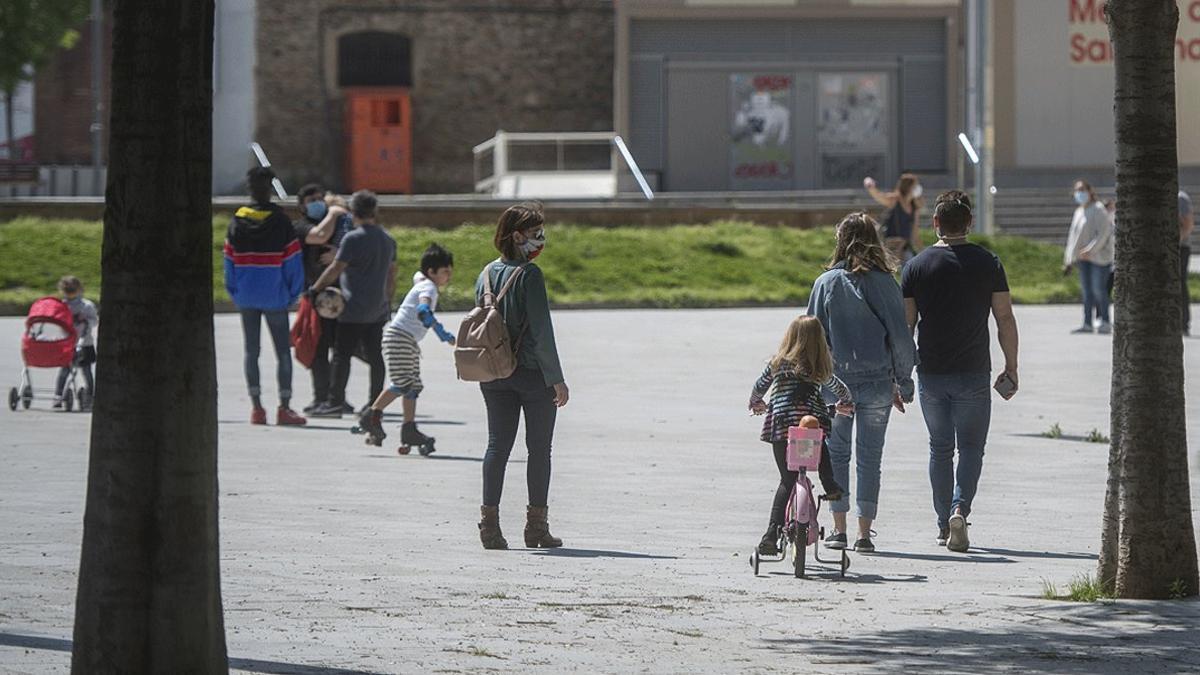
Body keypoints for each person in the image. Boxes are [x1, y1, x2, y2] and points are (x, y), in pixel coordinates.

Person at [902, 190, 1019, 553]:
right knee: (971, 448)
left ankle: (942, 526)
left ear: (935, 223)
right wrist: (1011, 366)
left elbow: (907, 327)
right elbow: (1004, 318)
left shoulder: (916, 266)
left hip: (932, 372)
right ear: (969, 223)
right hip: (973, 371)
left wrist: (901, 374)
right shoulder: (989, 262)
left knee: (939, 448)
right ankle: (959, 509)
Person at [807, 213, 916, 553]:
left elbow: (812, 338)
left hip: (835, 387)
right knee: (871, 457)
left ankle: (838, 529)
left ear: (840, 240)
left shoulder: (825, 283)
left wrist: (812, 385)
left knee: (837, 454)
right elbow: (901, 338)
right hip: (877, 384)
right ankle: (864, 534)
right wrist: (904, 381)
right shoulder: (885, 283)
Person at [476, 202, 569, 551]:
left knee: (496, 446)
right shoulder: (530, 276)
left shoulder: (485, 274)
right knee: (539, 450)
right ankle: (536, 527)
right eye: (535, 234)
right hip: (531, 374)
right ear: (517, 236)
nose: (540, 240)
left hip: (493, 372)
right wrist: (556, 379)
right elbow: (542, 333)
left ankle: (490, 526)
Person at [748, 315, 852, 557]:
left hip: (781, 428)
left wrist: (756, 402)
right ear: (819, 341)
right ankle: (830, 483)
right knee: (819, 444)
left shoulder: (777, 363)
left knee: (787, 479)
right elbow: (840, 389)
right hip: (809, 427)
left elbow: (759, 386)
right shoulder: (818, 367)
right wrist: (844, 402)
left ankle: (771, 534)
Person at [223, 167, 307, 426]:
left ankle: (257, 409)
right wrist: (294, 292)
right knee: (282, 351)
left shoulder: (237, 221)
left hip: (246, 295)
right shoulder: (281, 222)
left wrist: (235, 291)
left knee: (252, 351)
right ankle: (284, 407)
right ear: (270, 189)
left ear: (250, 190)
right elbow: (293, 261)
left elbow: (229, 261)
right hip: (275, 295)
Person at [356, 244, 456, 452]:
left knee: (412, 386)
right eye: (446, 271)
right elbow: (423, 310)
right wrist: (442, 334)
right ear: (432, 272)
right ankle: (371, 417)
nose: (449, 276)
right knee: (403, 383)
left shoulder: (423, 281)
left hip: (404, 339)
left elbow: (417, 277)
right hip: (400, 338)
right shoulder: (428, 288)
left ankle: (408, 428)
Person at [307, 190, 396, 419]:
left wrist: (315, 288)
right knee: (376, 356)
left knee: (341, 355)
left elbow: (335, 268)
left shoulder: (353, 239)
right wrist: (388, 302)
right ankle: (375, 405)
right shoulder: (387, 240)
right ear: (374, 211)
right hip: (377, 308)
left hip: (353, 307)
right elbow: (391, 276)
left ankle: (335, 403)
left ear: (353, 212)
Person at [292, 184, 355, 414]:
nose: (318, 203)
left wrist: (338, 253)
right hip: (316, 297)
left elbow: (348, 247)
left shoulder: (339, 225)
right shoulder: (301, 227)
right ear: (301, 205)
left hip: (339, 297)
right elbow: (320, 236)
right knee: (317, 348)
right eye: (312, 199)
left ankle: (336, 397)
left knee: (340, 350)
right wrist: (334, 212)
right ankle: (321, 396)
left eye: (321, 199)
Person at [1063, 180, 1113, 334]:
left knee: (1099, 289)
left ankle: (1104, 320)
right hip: (1083, 259)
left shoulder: (1098, 209)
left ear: (1090, 191)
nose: (1080, 193)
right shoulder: (1079, 211)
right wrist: (1068, 259)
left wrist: (1090, 250)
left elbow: (1103, 234)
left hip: (1099, 258)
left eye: (1082, 189)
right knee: (1087, 291)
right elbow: (1073, 237)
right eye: (1077, 190)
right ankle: (1087, 323)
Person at [52, 275, 98, 411]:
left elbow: (94, 321)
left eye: (72, 289)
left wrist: (85, 320)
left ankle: (90, 396)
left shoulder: (86, 305)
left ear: (79, 289)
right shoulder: (62, 306)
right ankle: (58, 395)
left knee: (86, 371)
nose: (70, 292)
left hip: (84, 343)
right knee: (64, 371)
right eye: (67, 290)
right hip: (67, 343)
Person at [863, 173, 924, 263]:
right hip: (891, 246)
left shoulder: (914, 206)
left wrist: (922, 252)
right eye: (915, 185)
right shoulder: (895, 199)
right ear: (908, 187)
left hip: (905, 246)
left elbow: (915, 231)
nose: (918, 188)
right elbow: (880, 197)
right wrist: (871, 187)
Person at [1179, 189, 1194, 335]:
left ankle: (1184, 323)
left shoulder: (1180, 198)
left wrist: (1177, 241)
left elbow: (1188, 223)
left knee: (1180, 283)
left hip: (1181, 248)